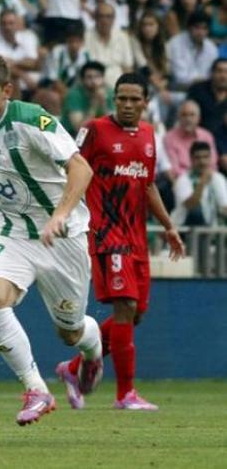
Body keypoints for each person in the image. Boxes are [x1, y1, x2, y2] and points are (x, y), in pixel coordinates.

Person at [0, 51, 103, 426]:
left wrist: (60, 215)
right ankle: (36, 389)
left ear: (6, 91)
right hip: (12, 231)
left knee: (69, 332)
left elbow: (81, 168)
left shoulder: (32, 121)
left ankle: (92, 349)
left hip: (62, 236)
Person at [57, 72, 185, 412]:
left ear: (146, 102)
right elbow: (69, 169)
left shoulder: (147, 135)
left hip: (136, 237)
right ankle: (125, 395)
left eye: (134, 99)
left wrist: (169, 226)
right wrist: (65, 214)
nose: (127, 105)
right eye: (121, 98)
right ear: (114, 99)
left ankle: (73, 369)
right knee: (125, 307)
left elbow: (148, 184)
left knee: (136, 313)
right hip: (106, 233)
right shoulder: (94, 130)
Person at [171, 141, 227, 226]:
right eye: (198, 158)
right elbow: (191, 205)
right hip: (184, 229)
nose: (202, 161)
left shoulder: (218, 178)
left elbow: (224, 207)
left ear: (210, 158)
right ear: (191, 159)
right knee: (196, 212)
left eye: (205, 157)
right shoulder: (182, 180)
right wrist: (202, 182)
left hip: (210, 231)